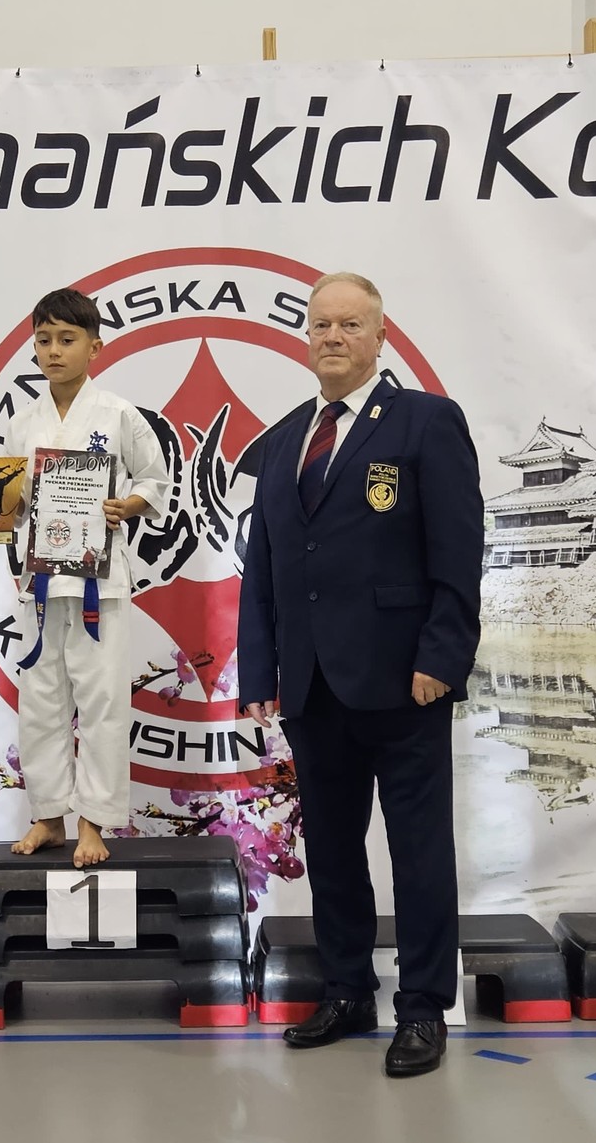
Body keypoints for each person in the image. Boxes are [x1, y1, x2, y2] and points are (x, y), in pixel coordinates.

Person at [235, 272, 483, 1078]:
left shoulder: (426, 421)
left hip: (404, 680)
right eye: (321, 325)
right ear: (306, 337)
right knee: (335, 852)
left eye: (350, 324)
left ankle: (424, 1007)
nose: (333, 337)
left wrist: (441, 657)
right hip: (312, 684)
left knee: (419, 852)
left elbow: (457, 552)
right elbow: (265, 568)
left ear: (380, 336)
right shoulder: (284, 440)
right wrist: (260, 667)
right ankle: (347, 990)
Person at [0, 288, 170, 868]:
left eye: (67, 339)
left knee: (102, 700)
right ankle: (48, 815)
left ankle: (94, 821)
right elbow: (11, 515)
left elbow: (155, 480)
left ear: (95, 347)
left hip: (98, 582)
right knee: (41, 700)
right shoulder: (21, 425)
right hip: (40, 582)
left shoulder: (118, 414)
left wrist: (127, 505)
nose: (54, 351)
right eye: (44, 340)